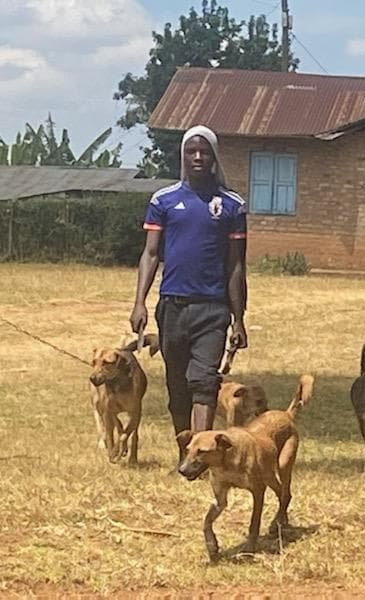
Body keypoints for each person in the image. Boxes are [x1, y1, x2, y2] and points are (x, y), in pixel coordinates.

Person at [129, 125, 247, 468]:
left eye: (205, 152)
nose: (198, 157)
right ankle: (186, 453)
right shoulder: (162, 201)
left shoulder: (231, 206)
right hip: (172, 307)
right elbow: (151, 254)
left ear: (214, 157)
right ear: (182, 156)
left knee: (204, 382)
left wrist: (238, 318)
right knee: (177, 388)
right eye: (191, 151)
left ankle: (204, 459)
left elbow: (236, 267)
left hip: (213, 309)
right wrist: (139, 303)